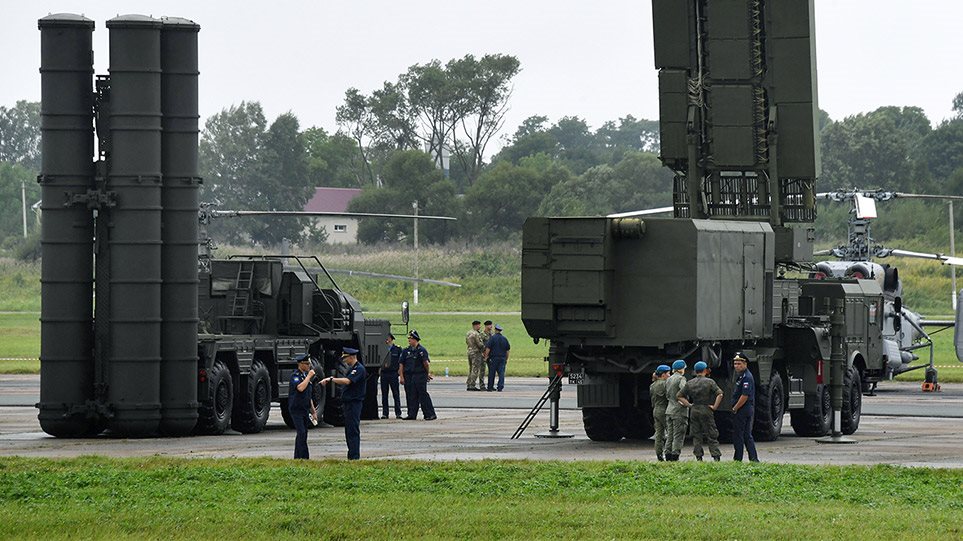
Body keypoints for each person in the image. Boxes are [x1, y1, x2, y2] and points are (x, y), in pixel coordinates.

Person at [321, 347, 366, 460]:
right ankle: (351, 454)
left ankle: (354, 456)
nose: (344, 360)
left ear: (352, 357)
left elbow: (347, 381)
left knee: (353, 430)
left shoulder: (358, 369)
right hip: (348, 403)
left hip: (354, 403)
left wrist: (331, 379)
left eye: (346, 358)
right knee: (349, 430)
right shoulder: (352, 369)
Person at [678, 361, 723, 462]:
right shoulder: (710, 382)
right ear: (705, 370)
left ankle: (699, 456)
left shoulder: (690, 383)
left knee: (696, 434)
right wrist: (715, 406)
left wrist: (689, 405)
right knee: (711, 433)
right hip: (706, 409)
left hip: (694, 409)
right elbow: (720, 394)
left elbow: (679, 396)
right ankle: (715, 455)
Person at [398, 330, 436, 420]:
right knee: (411, 395)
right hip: (409, 376)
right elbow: (401, 364)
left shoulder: (421, 350)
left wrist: (427, 374)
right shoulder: (405, 351)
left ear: (415, 340)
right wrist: (401, 376)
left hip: (420, 375)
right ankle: (411, 414)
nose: (409, 341)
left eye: (411, 339)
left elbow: (426, 363)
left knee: (423, 395)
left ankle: (429, 414)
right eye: (409, 339)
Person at [731, 352, 760, 462]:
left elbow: (744, 396)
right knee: (747, 435)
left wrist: (735, 408)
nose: (736, 366)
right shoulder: (742, 376)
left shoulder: (747, 377)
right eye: (735, 363)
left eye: (739, 363)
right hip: (745, 409)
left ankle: (738, 459)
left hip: (743, 409)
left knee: (739, 435)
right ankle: (753, 458)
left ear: (745, 364)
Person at [288, 353, 317, 460]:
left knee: (304, 433)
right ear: (300, 364)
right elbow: (300, 388)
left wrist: (313, 411)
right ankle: (303, 457)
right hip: (296, 409)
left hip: (305, 409)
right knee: (301, 432)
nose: (309, 366)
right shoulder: (295, 376)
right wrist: (309, 376)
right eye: (307, 364)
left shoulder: (305, 377)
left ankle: (299, 457)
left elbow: (308, 396)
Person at [663, 359, 688, 461]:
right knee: (678, 434)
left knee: (670, 434)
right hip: (679, 410)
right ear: (681, 369)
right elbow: (684, 390)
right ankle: (675, 455)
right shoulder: (681, 379)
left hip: (669, 409)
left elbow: (666, 393)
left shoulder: (668, 379)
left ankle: (667, 453)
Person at [649, 364, 671, 461]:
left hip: (656, 410)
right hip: (664, 409)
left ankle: (659, 454)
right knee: (670, 432)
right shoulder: (665, 384)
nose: (669, 375)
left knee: (659, 433)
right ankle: (669, 452)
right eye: (668, 373)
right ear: (663, 374)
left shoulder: (653, 385)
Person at [381, 334, 403, 419]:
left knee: (396, 394)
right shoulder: (382, 349)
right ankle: (385, 413)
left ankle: (398, 412)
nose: (387, 340)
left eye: (388, 338)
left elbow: (400, 361)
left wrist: (399, 372)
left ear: (391, 339)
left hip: (393, 373)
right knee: (384, 394)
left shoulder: (397, 349)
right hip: (384, 373)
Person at [484, 324, 510, 392]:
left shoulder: (492, 338)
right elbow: (507, 351)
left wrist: (486, 357)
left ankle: (490, 387)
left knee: (492, 373)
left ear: (495, 330)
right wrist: (506, 359)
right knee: (501, 373)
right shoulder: (505, 339)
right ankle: (500, 387)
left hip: (494, 358)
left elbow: (488, 348)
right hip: (502, 358)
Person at [465, 321, 486, 391]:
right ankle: (472, 384)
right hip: (476, 353)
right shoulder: (476, 334)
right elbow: (479, 344)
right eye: (479, 325)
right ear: (476, 326)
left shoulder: (468, 333)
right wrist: (484, 348)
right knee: (475, 369)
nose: (480, 327)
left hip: (469, 351)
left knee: (471, 368)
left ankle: (468, 383)